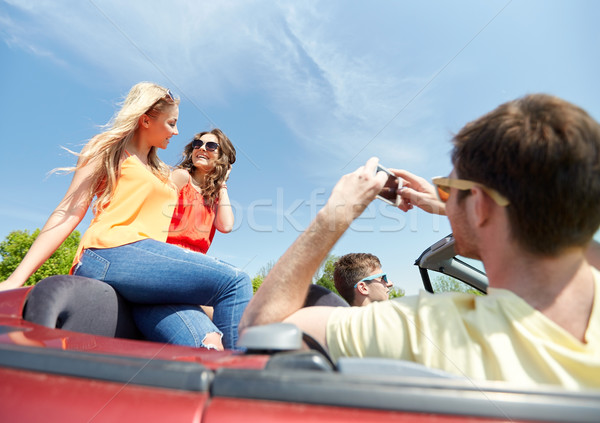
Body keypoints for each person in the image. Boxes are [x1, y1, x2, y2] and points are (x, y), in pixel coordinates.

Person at [240, 94, 600, 389]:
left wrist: (336, 214)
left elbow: (259, 331)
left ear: (482, 205)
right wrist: (459, 207)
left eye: (450, 186)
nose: (444, 194)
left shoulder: (424, 328)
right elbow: (568, 224)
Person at [0, 82, 252, 350]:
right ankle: (245, 386)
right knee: (235, 281)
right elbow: (68, 212)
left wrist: (221, 180)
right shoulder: (110, 151)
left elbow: (223, 224)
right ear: (146, 119)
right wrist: (17, 278)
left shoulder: (163, 173)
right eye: (170, 123)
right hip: (107, 252)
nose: (176, 132)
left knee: (209, 343)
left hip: (145, 278)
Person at [136, 128, 237, 346]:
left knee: (233, 323)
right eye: (198, 144)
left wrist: (222, 184)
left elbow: (226, 225)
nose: (202, 148)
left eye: (211, 146)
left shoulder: (214, 195)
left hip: (193, 272)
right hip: (167, 261)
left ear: (222, 158)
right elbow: (151, 212)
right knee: (233, 285)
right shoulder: (182, 177)